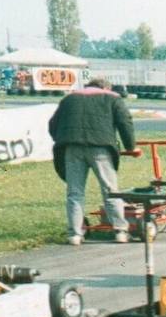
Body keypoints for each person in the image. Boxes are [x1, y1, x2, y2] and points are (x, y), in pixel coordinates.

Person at [48, 77, 136, 245]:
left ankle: (74, 234)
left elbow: (53, 124)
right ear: (106, 87)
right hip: (101, 147)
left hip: (72, 147)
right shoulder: (112, 97)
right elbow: (125, 122)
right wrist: (130, 146)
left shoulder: (70, 98)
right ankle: (120, 231)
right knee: (110, 190)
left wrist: (62, 138)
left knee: (75, 192)